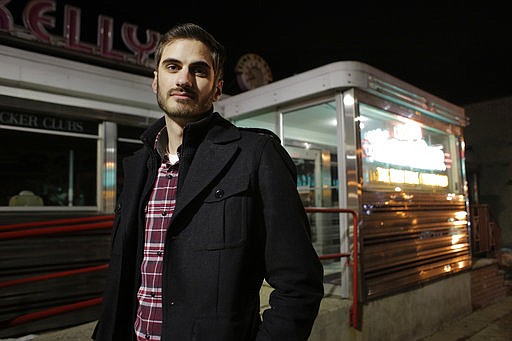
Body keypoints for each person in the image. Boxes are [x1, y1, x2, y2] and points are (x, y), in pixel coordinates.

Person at [92, 22, 324, 341]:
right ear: (156, 80)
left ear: (217, 88)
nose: (184, 79)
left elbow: (300, 285)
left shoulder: (255, 156)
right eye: (172, 66)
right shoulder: (138, 166)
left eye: (199, 70)